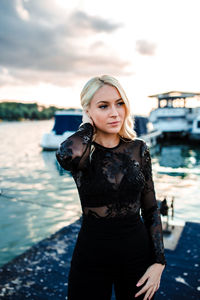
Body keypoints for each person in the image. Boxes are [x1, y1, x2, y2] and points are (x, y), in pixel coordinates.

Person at [56, 75, 167, 300]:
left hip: (137, 253)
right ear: (88, 110)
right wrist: (86, 125)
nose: (115, 112)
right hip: (91, 256)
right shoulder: (83, 152)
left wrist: (159, 261)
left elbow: (151, 208)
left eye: (119, 103)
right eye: (103, 106)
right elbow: (67, 153)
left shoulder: (139, 149)